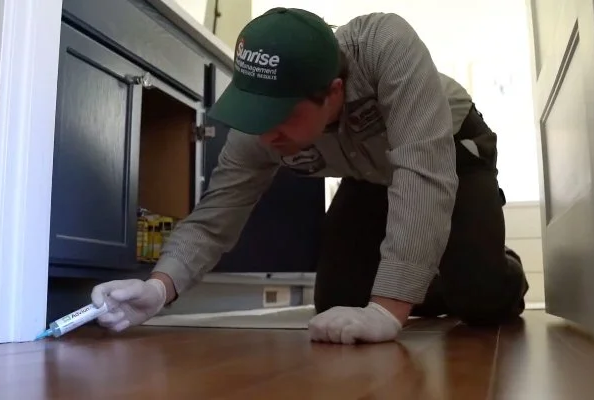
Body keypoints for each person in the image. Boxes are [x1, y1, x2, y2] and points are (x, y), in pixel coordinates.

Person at [90, 8, 529, 344]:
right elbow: (215, 214)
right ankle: (433, 271)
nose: (265, 133)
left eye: (280, 116)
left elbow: (422, 175)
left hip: (448, 152)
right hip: (367, 177)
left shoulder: (385, 44)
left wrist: (388, 309)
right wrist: (158, 288)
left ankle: (487, 261)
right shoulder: (258, 126)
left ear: (334, 93)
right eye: (258, 115)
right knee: (337, 305)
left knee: (482, 299)